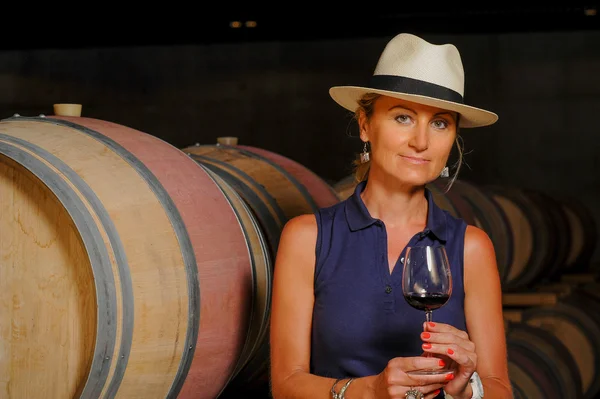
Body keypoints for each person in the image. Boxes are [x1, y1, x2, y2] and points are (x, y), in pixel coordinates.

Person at [269, 32, 512, 399]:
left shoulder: (472, 247)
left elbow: (500, 389)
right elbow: (285, 386)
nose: (421, 141)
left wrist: (467, 390)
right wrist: (370, 391)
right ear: (365, 125)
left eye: (441, 123)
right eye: (403, 117)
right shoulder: (308, 238)